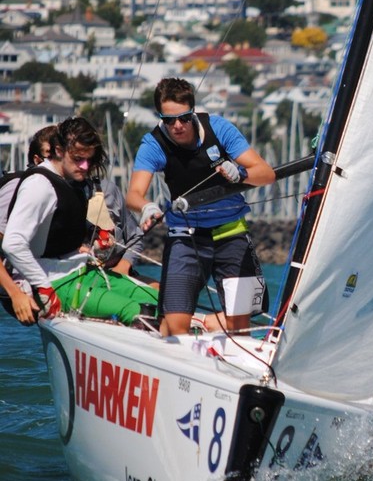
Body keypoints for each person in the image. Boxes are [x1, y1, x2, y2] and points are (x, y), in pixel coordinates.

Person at [126, 77, 275, 336]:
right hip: (187, 237)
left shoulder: (219, 129)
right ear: (161, 117)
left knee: (240, 325)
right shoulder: (153, 144)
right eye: (169, 120)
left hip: (232, 234)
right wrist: (147, 207)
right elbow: (134, 194)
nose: (177, 126)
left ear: (193, 112)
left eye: (184, 118)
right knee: (174, 326)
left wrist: (239, 172)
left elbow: (265, 173)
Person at [0, 118, 159, 326]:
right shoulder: (39, 185)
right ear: (58, 150)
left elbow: (60, 224)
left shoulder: (70, 181)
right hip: (55, 282)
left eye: (90, 160)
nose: (85, 166)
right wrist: (42, 287)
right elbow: (13, 243)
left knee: (162, 302)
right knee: (137, 311)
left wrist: (96, 234)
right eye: (78, 159)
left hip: (81, 273)